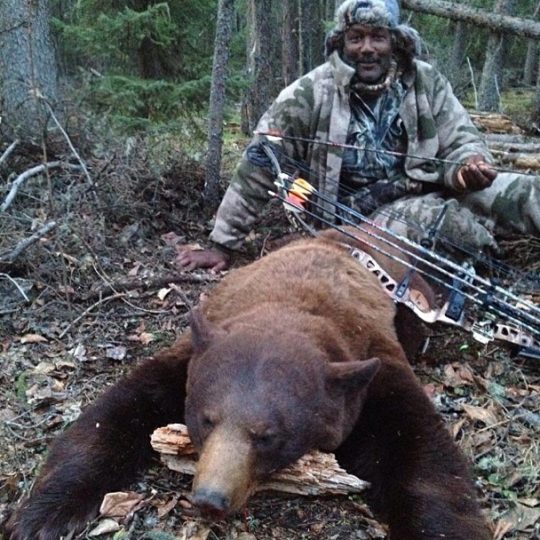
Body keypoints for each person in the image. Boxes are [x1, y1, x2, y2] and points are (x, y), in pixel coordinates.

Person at [176, 0, 540, 273]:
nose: (367, 48)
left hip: (434, 183)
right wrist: (222, 243)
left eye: (378, 37)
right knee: (435, 221)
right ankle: (471, 240)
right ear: (341, 43)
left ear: (395, 42)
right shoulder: (309, 93)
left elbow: (461, 136)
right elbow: (260, 161)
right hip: (359, 218)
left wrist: (469, 165)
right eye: (356, 38)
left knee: (524, 192)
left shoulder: (424, 80)